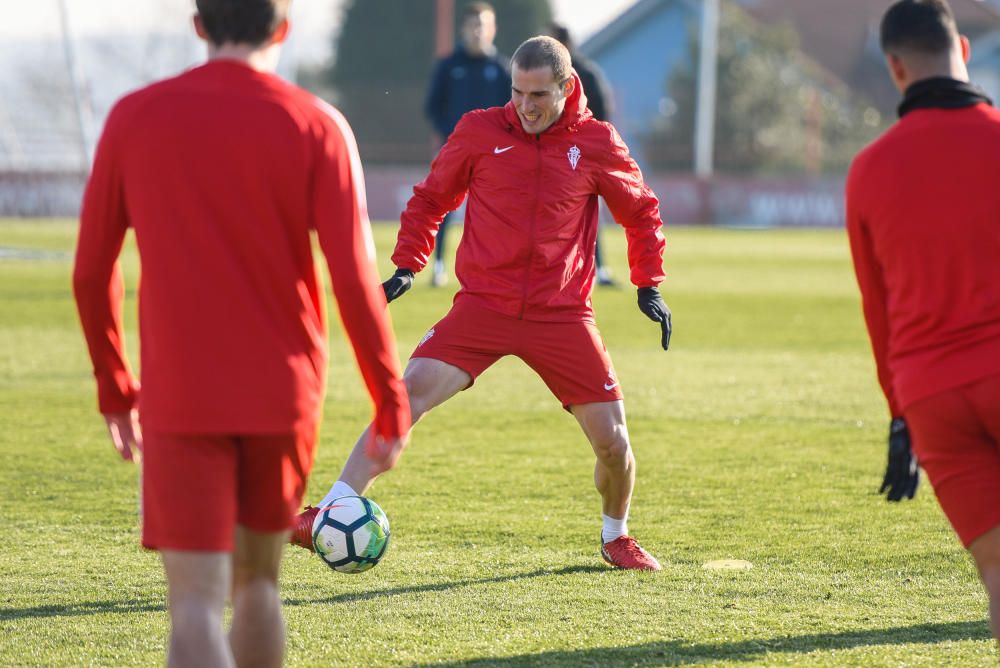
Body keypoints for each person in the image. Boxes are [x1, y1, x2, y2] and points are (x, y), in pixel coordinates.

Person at [72, 1, 410, 665]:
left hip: (182, 395)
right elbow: (353, 282)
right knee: (258, 585)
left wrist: (116, 386)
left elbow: (90, 272)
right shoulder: (320, 126)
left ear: (198, 25)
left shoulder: (134, 117)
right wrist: (390, 401)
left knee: (195, 602)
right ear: (282, 29)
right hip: (282, 397)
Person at [292, 36, 672, 571]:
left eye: (539, 94)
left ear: (566, 87)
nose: (526, 105)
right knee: (402, 400)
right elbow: (431, 198)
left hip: (561, 314)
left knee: (614, 446)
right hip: (483, 306)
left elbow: (641, 211)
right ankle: (326, 509)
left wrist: (647, 282)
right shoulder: (479, 131)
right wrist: (407, 264)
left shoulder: (596, 142)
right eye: (517, 92)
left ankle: (616, 536)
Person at [846, 0, 1000, 639]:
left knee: (996, 575)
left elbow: (876, 312)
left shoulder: (867, 169)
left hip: (930, 394)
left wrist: (900, 412)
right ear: (963, 49)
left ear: (895, 68)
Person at [424, 1, 511, 287]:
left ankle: (493, 270)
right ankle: (437, 265)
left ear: (493, 29)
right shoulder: (449, 66)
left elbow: (513, 111)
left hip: (494, 155)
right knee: (444, 208)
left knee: (493, 212)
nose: (477, 31)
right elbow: (432, 107)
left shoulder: (502, 69)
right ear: (464, 27)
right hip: (455, 152)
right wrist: (450, 135)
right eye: (473, 25)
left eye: (483, 25)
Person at [547, 21, 617, 287]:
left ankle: (598, 267)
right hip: (551, 154)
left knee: (589, 213)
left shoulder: (585, 73)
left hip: (579, 156)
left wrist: (594, 148)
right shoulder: (542, 74)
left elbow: (603, 114)